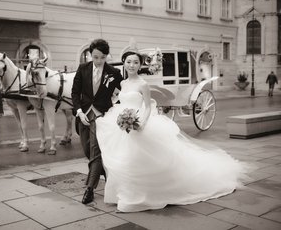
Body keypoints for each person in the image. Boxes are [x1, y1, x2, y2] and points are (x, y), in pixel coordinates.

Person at [96, 51, 248, 212]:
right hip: (124, 125)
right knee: (125, 158)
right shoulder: (123, 84)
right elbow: (120, 101)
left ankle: (139, 194)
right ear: (124, 63)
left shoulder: (143, 84)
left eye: (135, 62)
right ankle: (126, 191)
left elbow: (147, 106)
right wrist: (121, 117)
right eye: (128, 62)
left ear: (140, 65)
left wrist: (141, 123)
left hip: (139, 123)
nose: (131, 65)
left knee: (139, 158)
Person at [71, 39, 123, 204]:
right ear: (90, 55)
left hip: (102, 117)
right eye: (95, 57)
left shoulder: (114, 72)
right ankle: (106, 174)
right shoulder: (82, 69)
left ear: (106, 56)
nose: (99, 61)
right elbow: (75, 92)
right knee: (88, 151)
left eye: (102, 57)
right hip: (84, 115)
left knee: (95, 152)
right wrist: (79, 112)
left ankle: (90, 189)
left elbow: (120, 93)